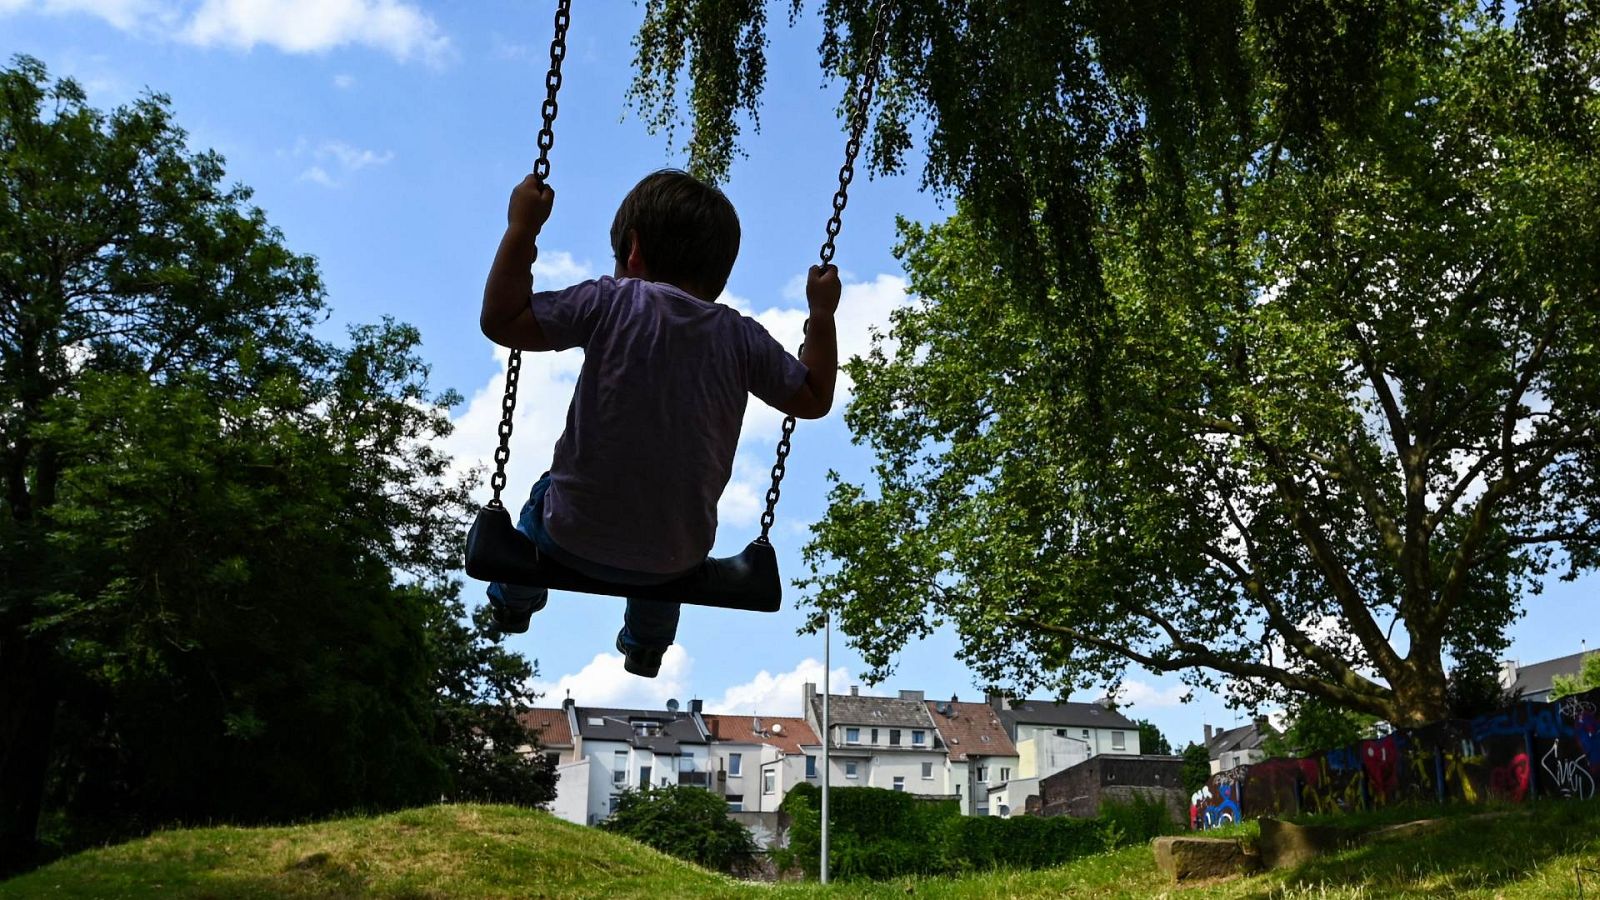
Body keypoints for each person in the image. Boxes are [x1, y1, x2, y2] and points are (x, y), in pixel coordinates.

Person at [478, 168, 839, 677]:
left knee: (542, 498)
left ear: (632, 251)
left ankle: (513, 600)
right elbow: (814, 397)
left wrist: (522, 228)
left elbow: (502, 319)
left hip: (571, 533)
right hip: (675, 555)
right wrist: (821, 314)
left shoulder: (611, 300)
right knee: (666, 560)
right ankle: (646, 644)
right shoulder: (741, 338)